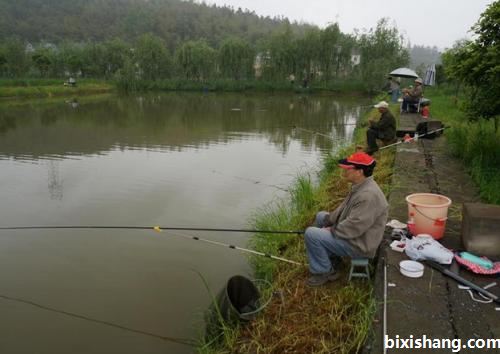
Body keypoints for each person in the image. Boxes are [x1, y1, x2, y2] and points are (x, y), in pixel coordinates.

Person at [304, 152, 389, 287]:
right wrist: (329, 220)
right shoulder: (361, 185)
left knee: (311, 234)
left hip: (360, 245)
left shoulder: (368, 196)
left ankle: (324, 271)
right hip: (354, 235)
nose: (344, 170)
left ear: (359, 171)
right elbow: (343, 209)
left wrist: (332, 230)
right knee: (321, 216)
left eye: (348, 168)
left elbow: (354, 227)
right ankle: (331, 257)